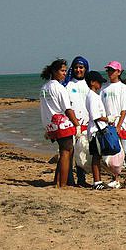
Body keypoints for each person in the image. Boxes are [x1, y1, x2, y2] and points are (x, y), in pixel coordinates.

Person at [40, 59, 81, 189]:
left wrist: (46, 128)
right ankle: (62, 184)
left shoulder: (44, 88)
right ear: (54, 71)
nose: (64, 73)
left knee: (64, 151)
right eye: (62, 71)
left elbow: (44, 109)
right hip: (61, 124)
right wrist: (77, 125)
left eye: (65, 71)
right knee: (66, 151)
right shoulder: (59, 88)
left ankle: (57, 181)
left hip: (51, 124)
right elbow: (67, 109)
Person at [101, 61, 126, 188]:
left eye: (112, 70)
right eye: (108, 70)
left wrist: (119, 125)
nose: (110, 73)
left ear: (119, 72)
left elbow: (125, 109)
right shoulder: (104, 88)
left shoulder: (123, 88)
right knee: (113, 151)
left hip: (122, 124)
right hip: (108, 124)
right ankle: (115, 179)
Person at [64, 56, 90, 187]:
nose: (78, 70)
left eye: (81, 67)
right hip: (71, 123)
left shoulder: (89, 84)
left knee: (82, 153)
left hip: (86, 124)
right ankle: (68, 179)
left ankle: (82, 179)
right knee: (69, 152)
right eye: (76, 67)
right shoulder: (68, 84)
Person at [84, 70, 109, 190]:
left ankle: (98, 180)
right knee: (96, 156)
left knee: (97, 156)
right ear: (92, 82)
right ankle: (97, 181)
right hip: (95, 131)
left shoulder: (93, 95)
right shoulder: (92, 96)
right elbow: (95, 116)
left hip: (95, 129)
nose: (100, 85)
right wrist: (108, 119)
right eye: (98, 82)